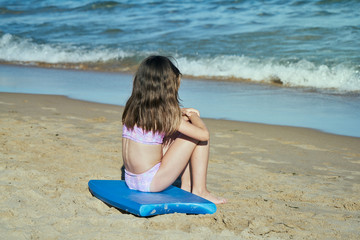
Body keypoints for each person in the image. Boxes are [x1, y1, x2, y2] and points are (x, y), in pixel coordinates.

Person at [121, 55, 226, 204]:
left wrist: (180, 113)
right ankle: (200, 191)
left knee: (181, 129)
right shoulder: (164, 114)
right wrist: (193, 115)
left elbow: (166, 125)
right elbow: (203, 134)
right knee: (195, 133)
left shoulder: (133, 108)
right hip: (151, 182)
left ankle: (186, 186)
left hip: (131, 180)